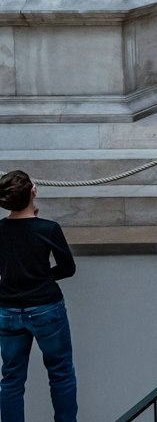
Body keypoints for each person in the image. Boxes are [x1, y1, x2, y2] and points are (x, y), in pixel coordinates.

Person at [0, 171, 76, 422]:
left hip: (7, 310)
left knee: (11, 378)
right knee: (61, 373)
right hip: (46, 307)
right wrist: (42, 277)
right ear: (33, 192)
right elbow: (68, 268)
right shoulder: (48, 228)